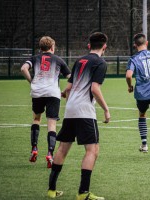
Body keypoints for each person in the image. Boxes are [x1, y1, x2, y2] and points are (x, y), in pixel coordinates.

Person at [47, 32, 110, 200]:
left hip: (70, 109)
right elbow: (95, 89)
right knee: (93, 150)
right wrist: (106, 109)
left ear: (89, 45)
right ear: (104, 46)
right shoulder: (100, 63)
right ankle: (83, 193)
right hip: (85, 111)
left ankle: (51, 190)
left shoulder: (80, 60)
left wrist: (64, 93)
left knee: (63, 148)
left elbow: (68, 87)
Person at [21, 36, 71, 168]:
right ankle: (50, 153)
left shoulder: (34, 58)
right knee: (52, 124)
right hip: (53, 93)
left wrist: (31, 81)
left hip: (37, 92)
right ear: (52, 47)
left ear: (40, 48)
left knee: (36, 119)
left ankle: (34, 148)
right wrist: (66, 91)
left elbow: (23, 69)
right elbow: (70, 77)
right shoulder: (58, 60)